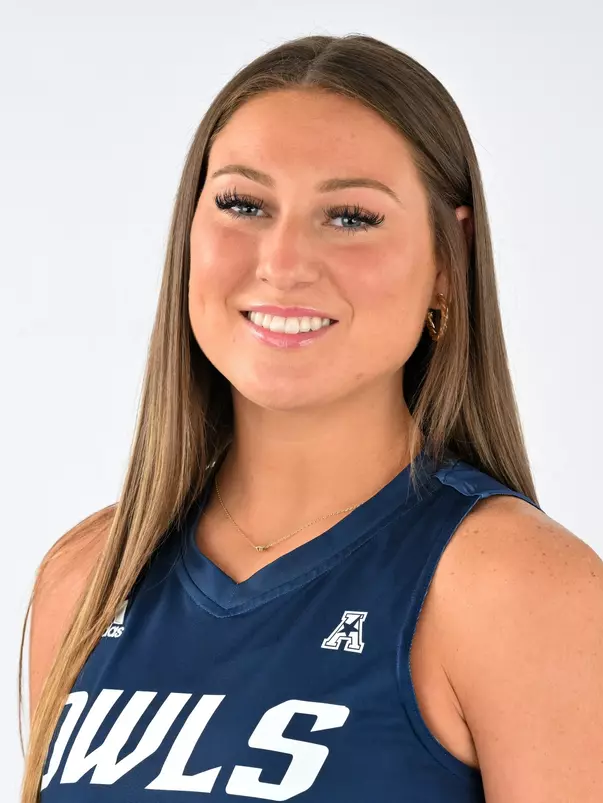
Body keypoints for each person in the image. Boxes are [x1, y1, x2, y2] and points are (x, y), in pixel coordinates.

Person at [20, 33, 603, 803]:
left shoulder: (519, 590)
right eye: (242, 204)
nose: (283, 260)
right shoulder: (87, 578)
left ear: (445, 260)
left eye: (351, 216)